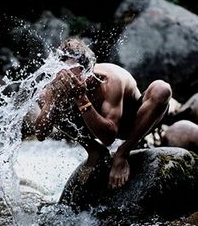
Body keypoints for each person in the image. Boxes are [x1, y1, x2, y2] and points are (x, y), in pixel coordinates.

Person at [35, 37, 172, 189]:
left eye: (76, 77)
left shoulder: (109, 80)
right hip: (92, 126)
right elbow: (40, 134)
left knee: (162, 89)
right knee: (51, 104)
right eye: (66, 76)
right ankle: (94, 150)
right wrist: (53, 102)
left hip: (133, 123)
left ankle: (123, 153)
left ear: (88, 72)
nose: (71, 82)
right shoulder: (53, 87)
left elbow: (109, 137)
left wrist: (81, 98)